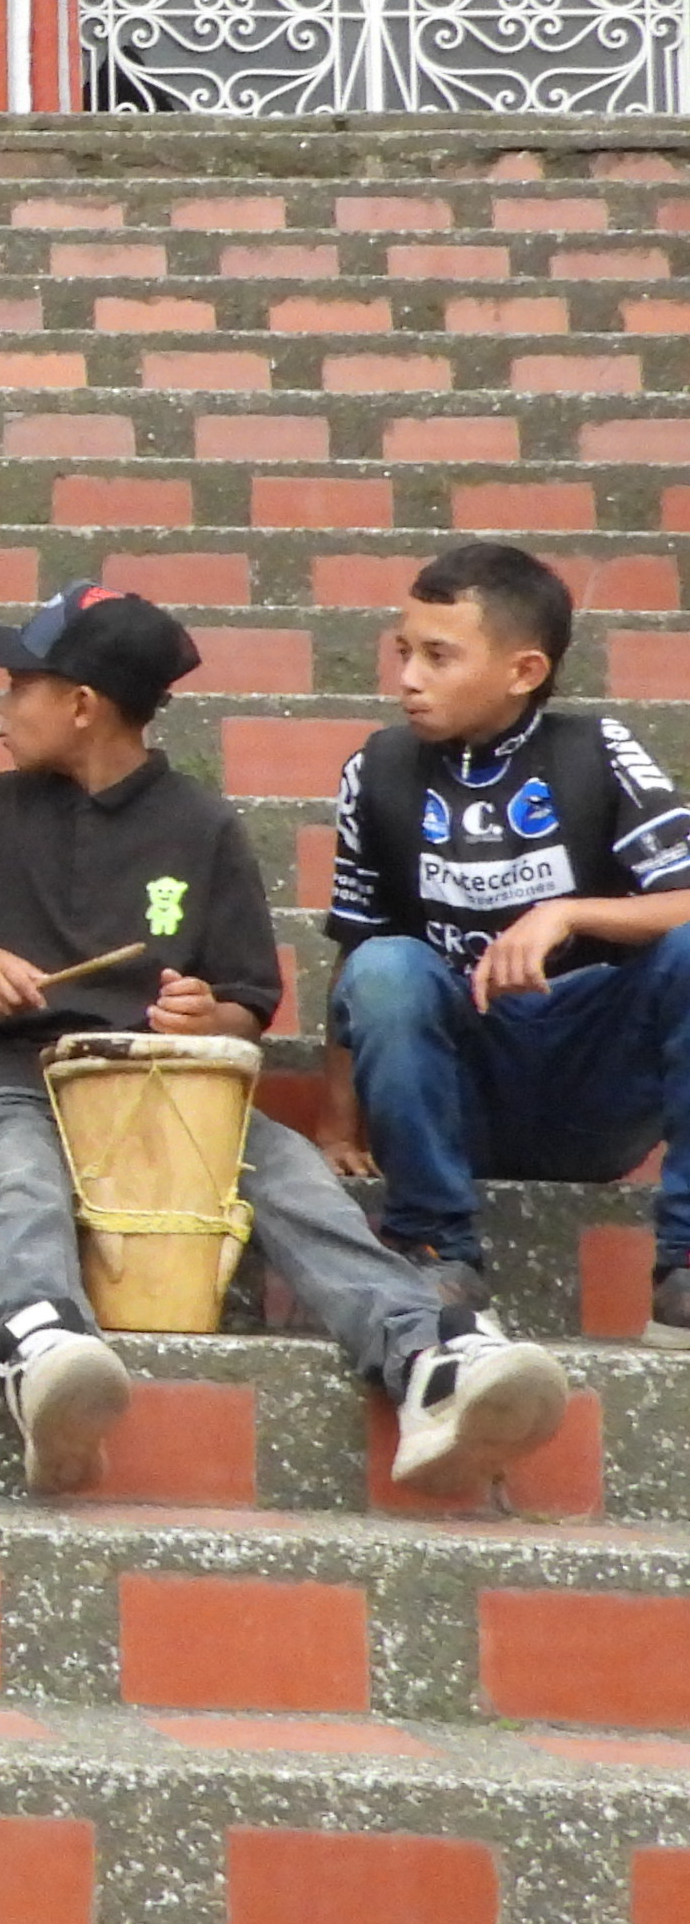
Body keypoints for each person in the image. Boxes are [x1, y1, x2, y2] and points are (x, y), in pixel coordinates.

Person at [0, 583, 570, 1501]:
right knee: (17, 1172)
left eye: (18, 683)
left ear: (81, 705)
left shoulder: (201, 825)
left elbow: (246, 1007)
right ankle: (43, 1348)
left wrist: (197, 1014)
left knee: (292, 1174)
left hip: (166, 1087)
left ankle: (429, 1362)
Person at [324, 541, 690, 1342]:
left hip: (592, 1079)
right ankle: (434, 1245)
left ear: (523, 672)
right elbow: (359, 951)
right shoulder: (377, 771)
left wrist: (569, 912)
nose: (408, 678)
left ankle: (685, 1265)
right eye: (403, 653)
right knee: (389, 966)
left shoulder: (597, 752)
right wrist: (338, 1126)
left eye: (438, 657)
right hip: (462, 1089)